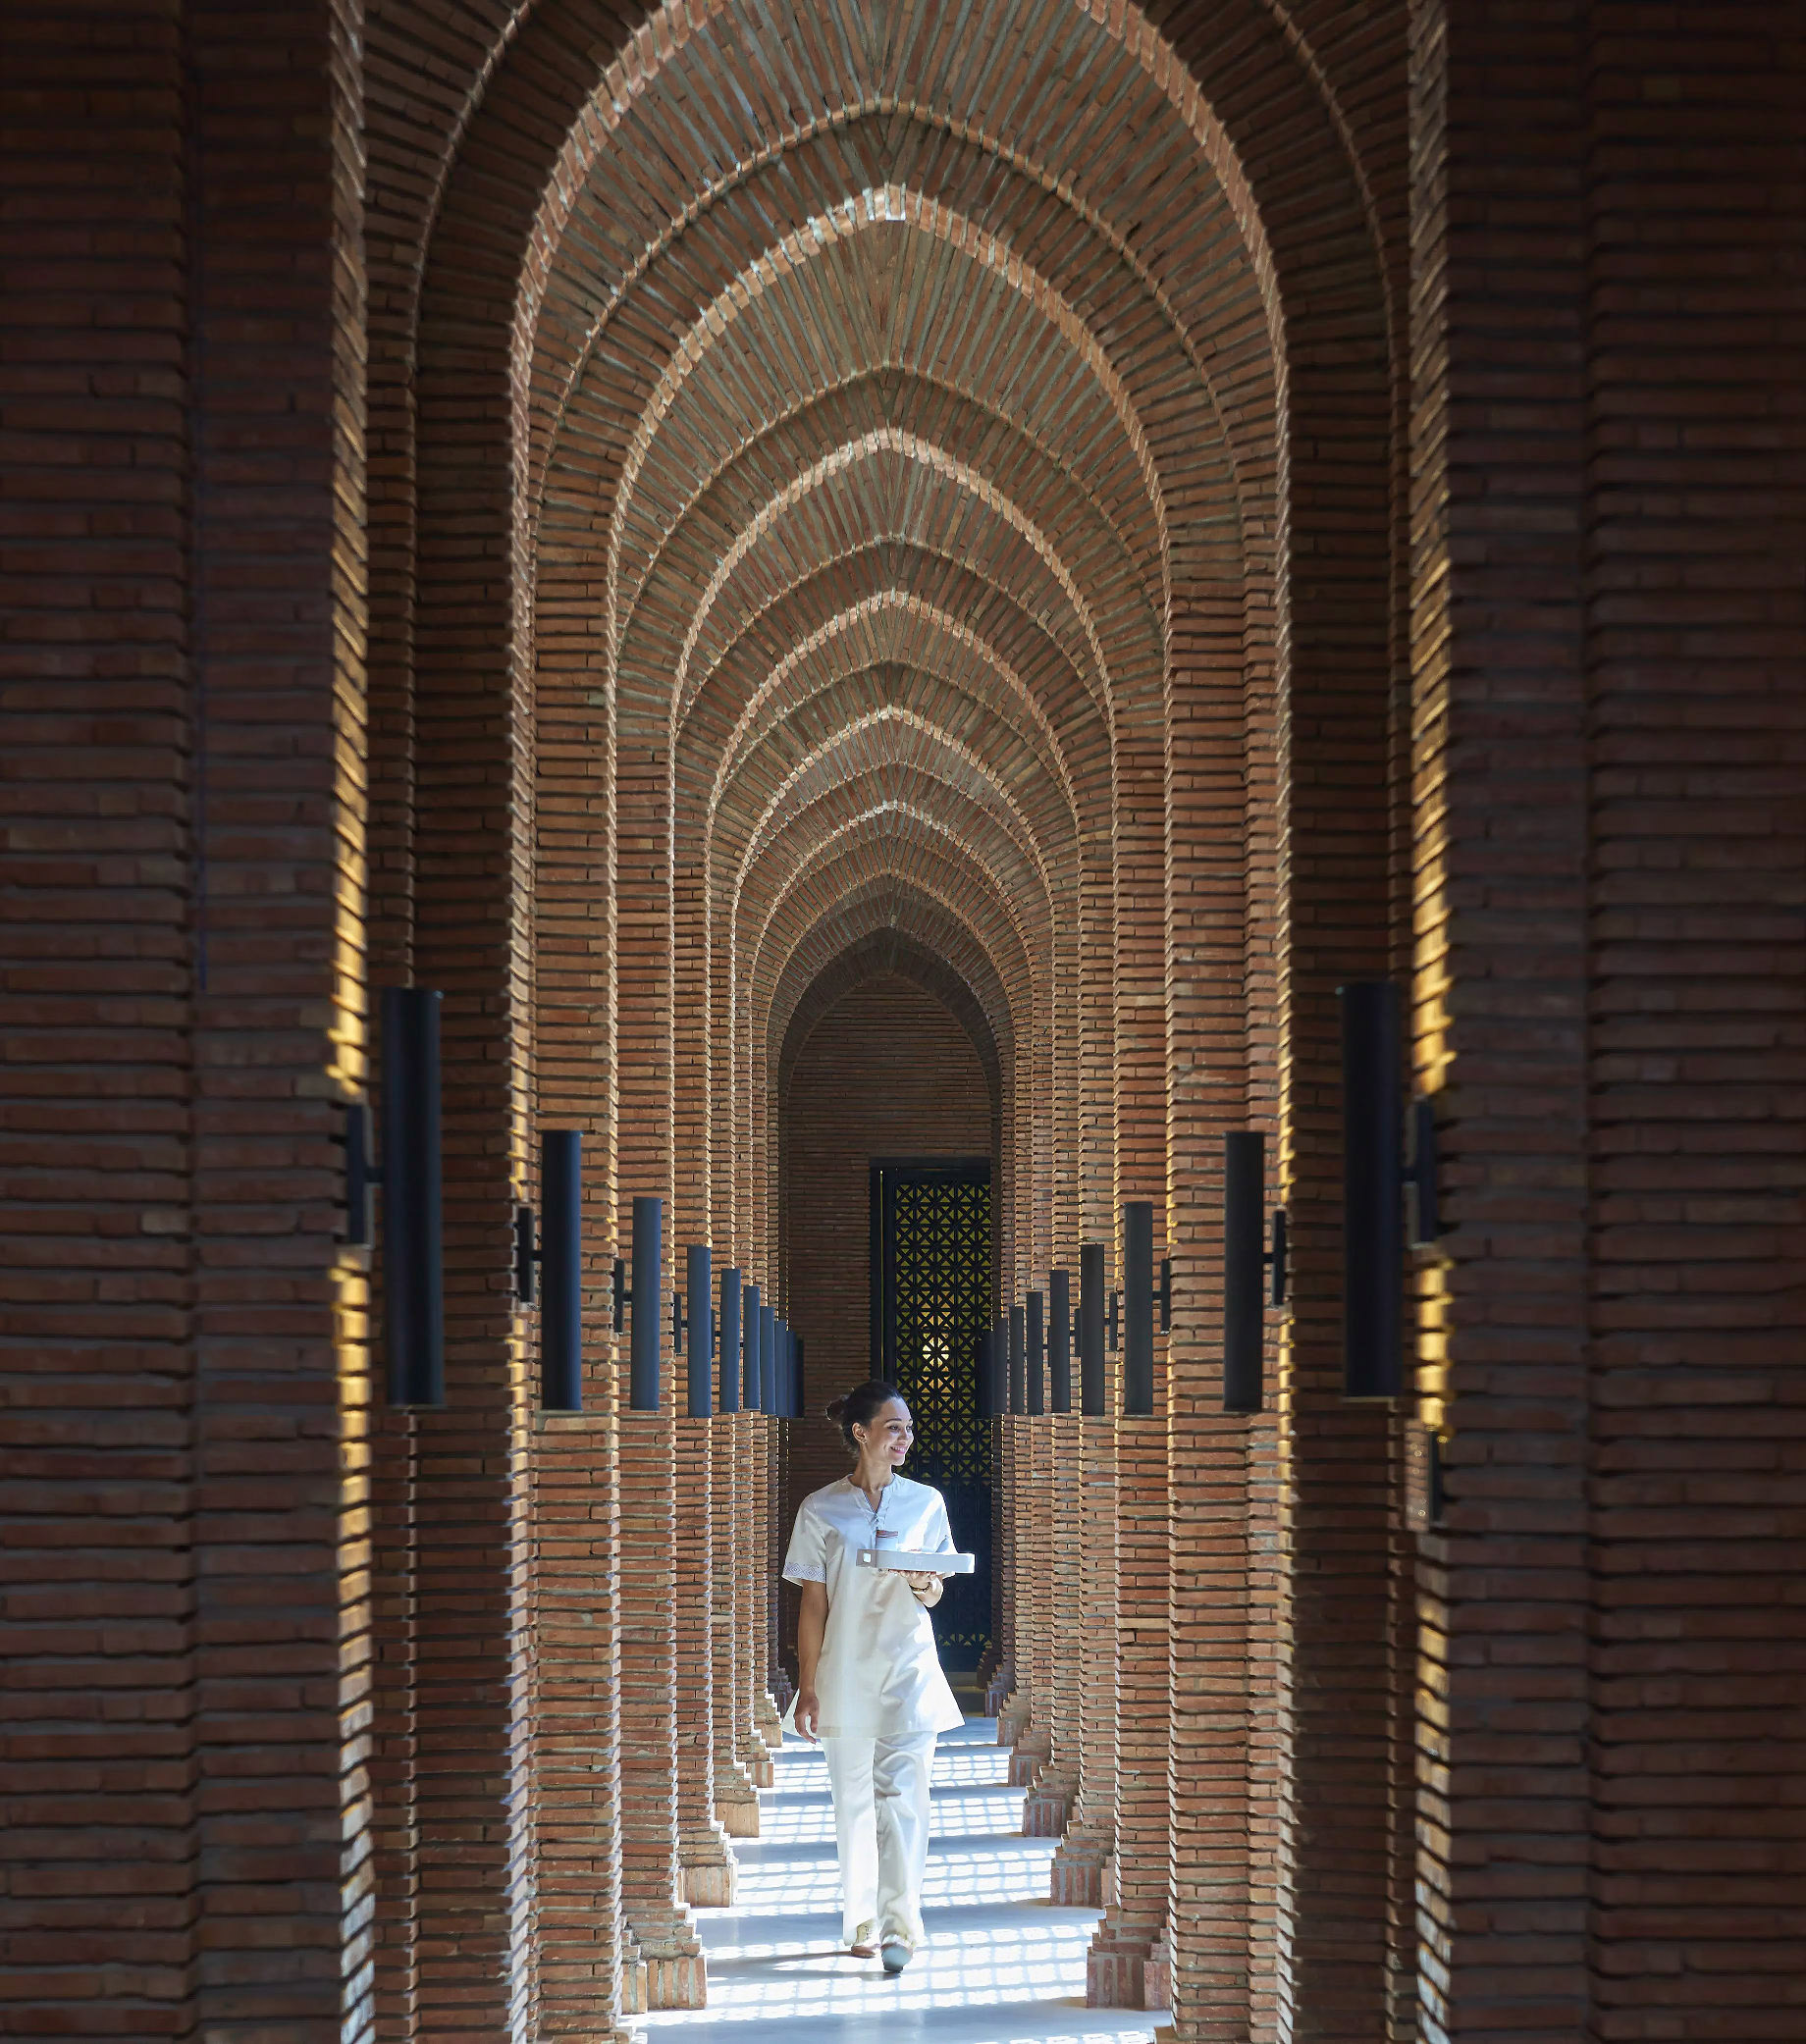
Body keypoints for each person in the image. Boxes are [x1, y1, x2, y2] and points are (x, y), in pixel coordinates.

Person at [782, 1379, 966, 1973]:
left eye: (908, 1429)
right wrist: (808, 1687)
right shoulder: (821, 1508)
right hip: (844, 1671)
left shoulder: (926, 1503)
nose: (904, 1438)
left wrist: (923, 1581)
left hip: (909, 1667)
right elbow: (813, 1605)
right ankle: (862, 1920)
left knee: (904, 1803)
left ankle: (901, 1929)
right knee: (855, 1805)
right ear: (861, 1433)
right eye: (893, 1428)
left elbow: (935, 1590)